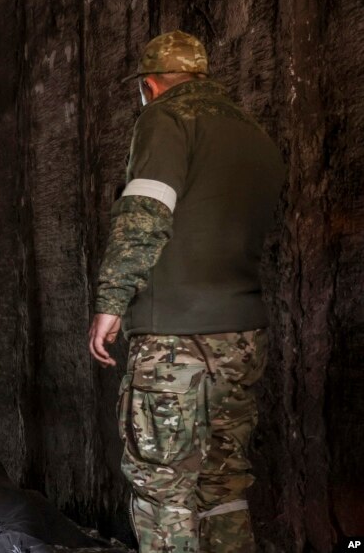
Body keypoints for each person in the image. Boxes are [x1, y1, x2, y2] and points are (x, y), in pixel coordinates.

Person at [88, 31, 287, 552]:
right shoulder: (253, 133)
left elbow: (145, 215)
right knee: (225, 481)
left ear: (150, 85)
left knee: (162, 486)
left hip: (175, 337)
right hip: (242, 335)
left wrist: (111, 302)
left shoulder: (165, 118)